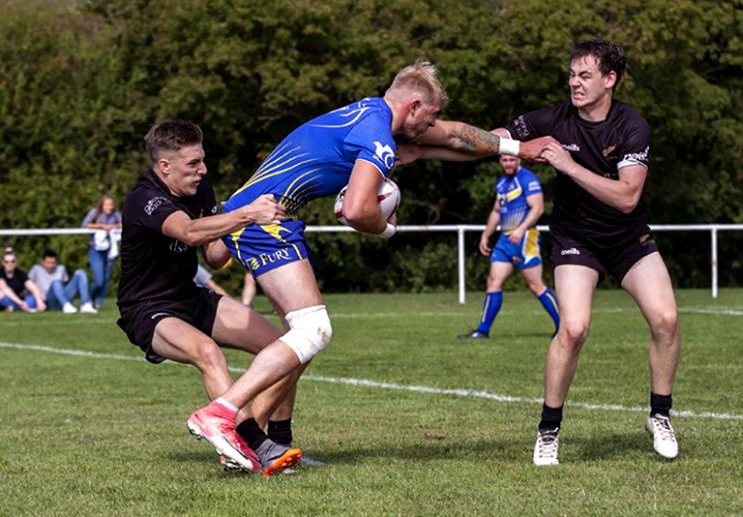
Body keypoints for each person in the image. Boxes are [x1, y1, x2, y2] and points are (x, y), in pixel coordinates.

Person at [185, 60, 548, 468]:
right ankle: (222, 414)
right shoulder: (378, 137)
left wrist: (517, 147)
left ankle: (269, 444)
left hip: (254, 213)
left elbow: (453, 136)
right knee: (313, 329)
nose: (434, 124)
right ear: (412, 107)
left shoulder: (370, 114)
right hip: (263, 221)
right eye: (429, 115)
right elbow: (358, 210)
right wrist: (388, 228)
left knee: (298, 341)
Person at [402, 39, 681, 466]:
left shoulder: (631, 126)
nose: (575, 82)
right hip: (576, 238)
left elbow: (627, 197)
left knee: (666, 319)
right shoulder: (550, 120)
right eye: (571, 74)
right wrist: (423, 146)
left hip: (627, 236)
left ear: (610, 80)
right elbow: (490, 141)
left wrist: (567, 165)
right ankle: (548, 431)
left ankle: (659, 416)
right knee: (573, 328)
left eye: (585, 75)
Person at [116, 120, 304, 475]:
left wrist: (242, 225)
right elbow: (187, 232)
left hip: (190, 297)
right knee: (207, 352)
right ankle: (253, 443)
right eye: (193, 164)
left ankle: (275, 440)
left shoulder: (201, 190)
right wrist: (246, 213)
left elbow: (214, 259)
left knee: (288, 347)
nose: (203, 170)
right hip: (147, 309)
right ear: (165, 166)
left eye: (202, 160)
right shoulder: (145, 198)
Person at [457, 154, 559, 339]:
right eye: (504, 160)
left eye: (512, 160)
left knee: (535, 286)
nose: (508, 163)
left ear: (519, 160)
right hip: (505, 240)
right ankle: (482, 330)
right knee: (493, 282)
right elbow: (497, 211)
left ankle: (563, 327)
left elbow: (538, 208)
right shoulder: (502, 182)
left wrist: (520, 229)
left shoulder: (527, 179)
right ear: (500, 162)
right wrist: (486, 235)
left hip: (525, 238)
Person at [82, 194, 122, 309]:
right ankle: (89, 299)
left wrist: (112, 226)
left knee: (106, 279)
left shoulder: (115, 214)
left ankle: (97, 303)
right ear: (102, 205)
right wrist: (101, 226)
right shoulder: (94, 212)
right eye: (108, 205)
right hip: (96, 250)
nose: (110, 207)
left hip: (110, 250)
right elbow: (85, 225)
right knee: (98, 279)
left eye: (111, 205)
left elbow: (124, 223)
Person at [28, 249, 96, 314]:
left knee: (81, 273)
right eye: (48, 263)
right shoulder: (36, 269)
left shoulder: (61, 268)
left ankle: (85, 304)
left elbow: (65, 285)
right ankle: (66, 305)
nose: (51, 265)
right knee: (56, 282)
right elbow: (28, 285)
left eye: (53, 263)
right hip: (49, 300)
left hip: (62, 296)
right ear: (42, 262)